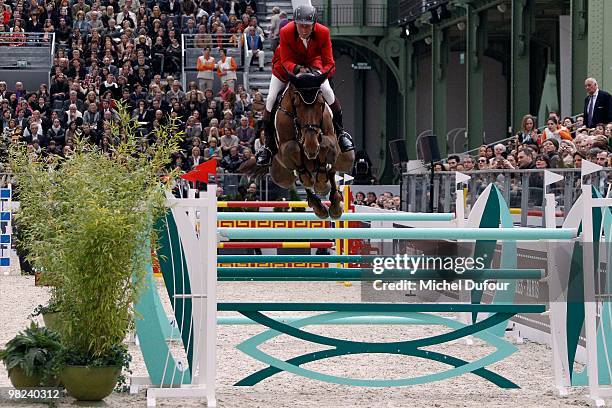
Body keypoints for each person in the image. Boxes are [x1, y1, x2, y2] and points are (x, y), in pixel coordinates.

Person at [255, 4, 354, 166]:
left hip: (314, 68)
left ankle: (341, 134)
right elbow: (286, 60)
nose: (304, 30)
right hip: (286, 69)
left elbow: (329, 62)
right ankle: (268, 147)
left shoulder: (323, 32)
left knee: (328, 92)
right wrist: (297, 70)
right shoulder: (286, 31)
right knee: (272, 98)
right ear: (295, 23)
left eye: (307, 26)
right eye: (301, 26)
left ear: (314, 24)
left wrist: (318, 75)